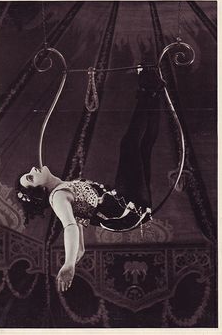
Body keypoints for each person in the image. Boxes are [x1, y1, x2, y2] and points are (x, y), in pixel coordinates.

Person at [16, 66, 163, 293]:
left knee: (143, 147)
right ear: (39, 189)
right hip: (127, 207)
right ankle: (148, 88)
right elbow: (70, 228)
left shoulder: (64, 189)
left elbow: (81, 249)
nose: (33, 169)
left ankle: (153, 92)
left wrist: (74, 260)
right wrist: (67, 264)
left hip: (133, 206)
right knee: (129, 146)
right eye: (30, 177)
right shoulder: (58, 197)